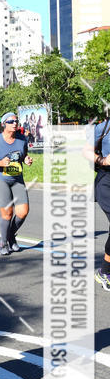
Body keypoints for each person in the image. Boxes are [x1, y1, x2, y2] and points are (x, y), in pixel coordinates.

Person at [0, 111, 33, 256]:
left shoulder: (21, 139)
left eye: (16, 121)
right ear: (4, 124)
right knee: (8, 213)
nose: (15, 123)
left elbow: (23, 156)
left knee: (23, 212)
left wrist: (27, 160)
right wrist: (0, 162)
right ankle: (3, 242)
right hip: (0, 179)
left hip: (17, 178)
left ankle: (10, 236)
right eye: (11, 121)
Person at [84, 115, 110, 290]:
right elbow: (85, 151)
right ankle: (104, 272)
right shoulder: (104, 127)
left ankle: (105, 270)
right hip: (106, 181)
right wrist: (102, 160)